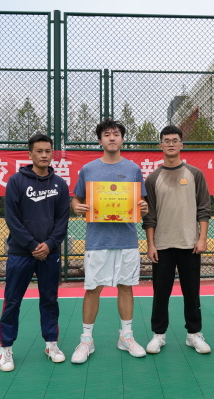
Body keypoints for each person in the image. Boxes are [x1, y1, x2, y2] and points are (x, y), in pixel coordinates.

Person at [70, 118, 149, 364]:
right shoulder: (89, 169)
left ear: (122, 139)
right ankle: (86, 340)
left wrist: (144, 207)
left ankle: (126, 337)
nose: (112, 138)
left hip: (126, 240)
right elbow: (76, 199)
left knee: (126, 287)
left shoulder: (133, 169)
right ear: (100, 140)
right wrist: (77, 207)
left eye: (116, 134)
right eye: (107, 134)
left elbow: (142, 202)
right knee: (93, 289)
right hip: (97, 240)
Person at [0, 134, 70, 371]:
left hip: (49, 253)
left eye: (48, 151)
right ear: (30, 154)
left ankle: (51, 344)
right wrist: (31, 245)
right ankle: (6, 348)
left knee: (49, 300)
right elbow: (12, 218)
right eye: (39, 151)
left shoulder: (60, 184)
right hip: (21, 253)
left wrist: (49, 244)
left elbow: (62, 220)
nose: (44, 155)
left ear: (52, 154)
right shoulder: (16, 181)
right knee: (12, 301)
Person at [142, 125, 212, 354]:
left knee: (192, 293)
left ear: (181, 144)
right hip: (162, 246)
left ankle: (193, 334)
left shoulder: (195, 174)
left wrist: (202, 238)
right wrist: (151, 244)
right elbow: (149, 216)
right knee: (160, 293)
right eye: (166, 140)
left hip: (190, 244)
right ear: (160, 145)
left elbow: (204, 208)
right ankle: (158, 334)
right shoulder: (153, 178)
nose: (171, 144)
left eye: (175, 140)